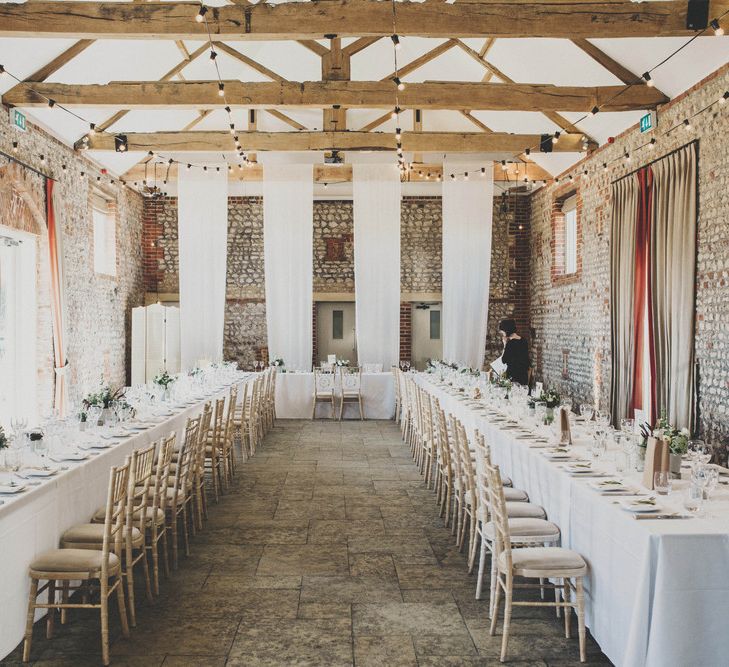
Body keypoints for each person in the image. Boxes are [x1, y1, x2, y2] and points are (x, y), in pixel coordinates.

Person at [499, 318, 529, 386]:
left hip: (513, 377)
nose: (502, 334)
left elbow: (503, 360)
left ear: (506, 330)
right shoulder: (524, 340)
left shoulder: (510, 343)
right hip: (523, 376)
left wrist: (505, 344)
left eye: (502, 331)